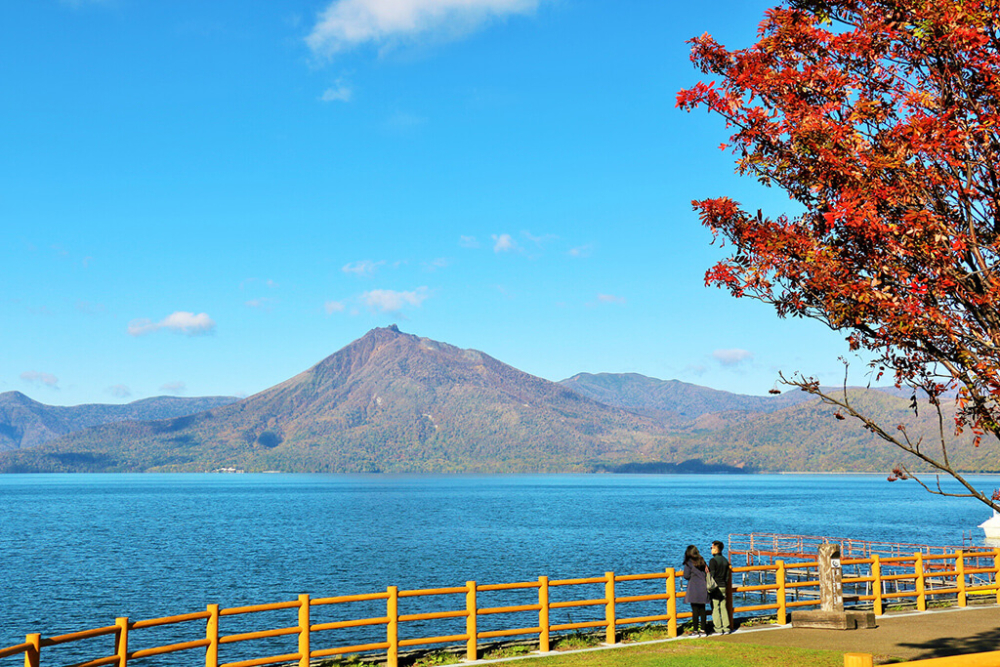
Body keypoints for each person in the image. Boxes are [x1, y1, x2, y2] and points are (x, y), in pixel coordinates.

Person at [681, 545, 709, 636]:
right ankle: (703, 630)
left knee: (695, 611)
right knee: (702, 610)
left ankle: (696, 630)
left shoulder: (689, 563)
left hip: (694, 588)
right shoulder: (702, 560)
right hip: (703, 587)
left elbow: (686, 576)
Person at [708, 540, 732, 634]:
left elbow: (712, 575)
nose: (711, 549)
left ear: (716, 549)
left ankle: (718, 628)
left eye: (712, 548)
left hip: (715, 587)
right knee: (723, 607)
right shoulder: (725, 560)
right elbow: (727, 576)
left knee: (715, 607)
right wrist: (725, 584)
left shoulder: (713, 561)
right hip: (723, 586)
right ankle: (726, 627)